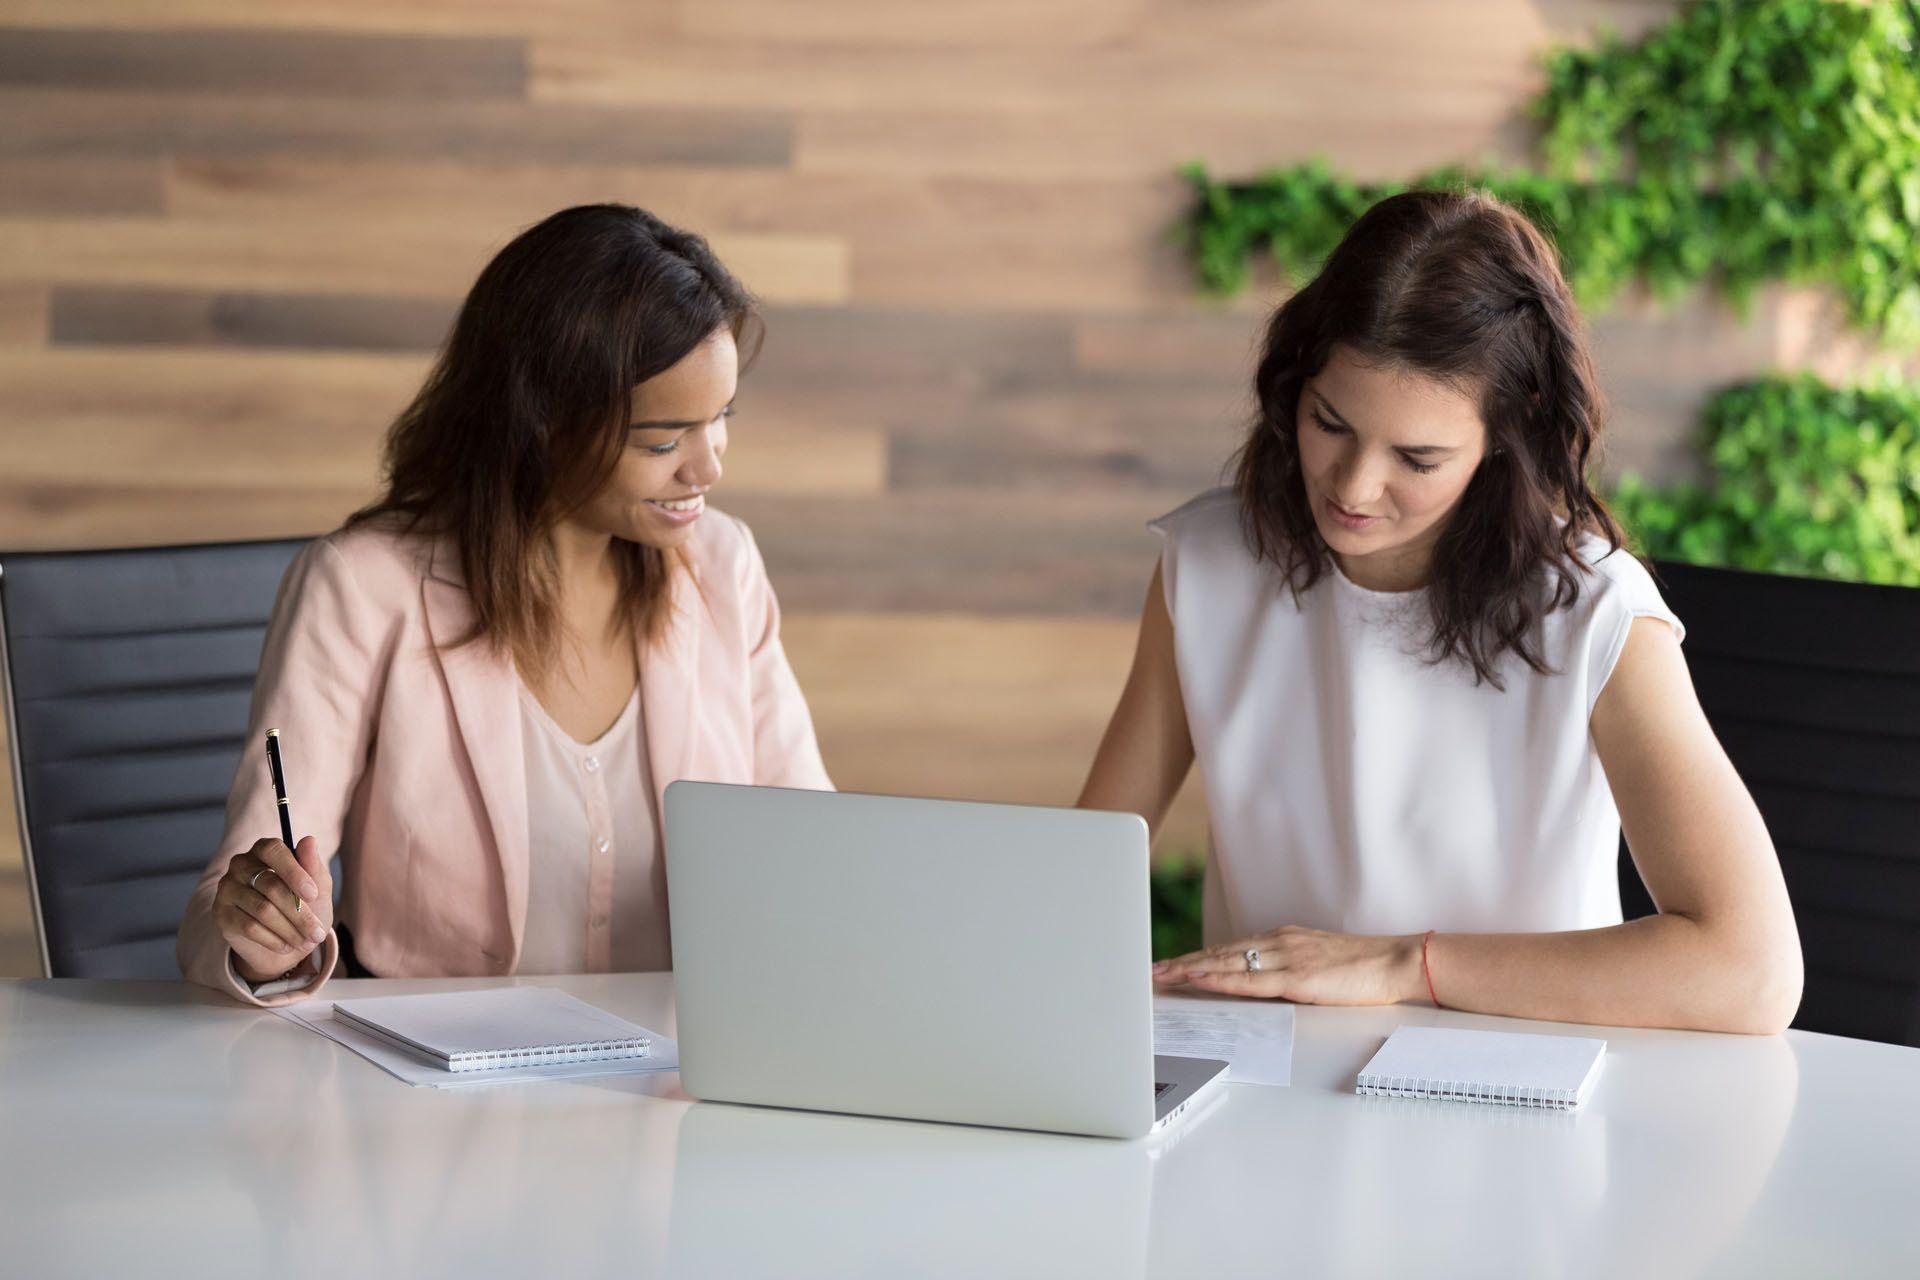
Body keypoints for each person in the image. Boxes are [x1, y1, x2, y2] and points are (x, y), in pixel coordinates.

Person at [1078, 189, 1803, 1034]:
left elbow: (1752, 969)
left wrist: (1397, 964)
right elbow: (1078, 876)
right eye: (1330, 422)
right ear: (1295, 385)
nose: (1352, 486)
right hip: (1267, 1078)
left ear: (1507, 431)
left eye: (1417, 457)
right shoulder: (1206, 568)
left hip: (1516, 1089)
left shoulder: (1597, 615)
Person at [177, 204, 831, 1006]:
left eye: (721, 420)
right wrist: (264, 934)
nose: (708, 469)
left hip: (678, 1071)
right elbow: (229, 900)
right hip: (435, 1094)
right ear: (542, 423)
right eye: (664, 440)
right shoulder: (362, 585)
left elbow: (817, 850)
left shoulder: (722, 566)